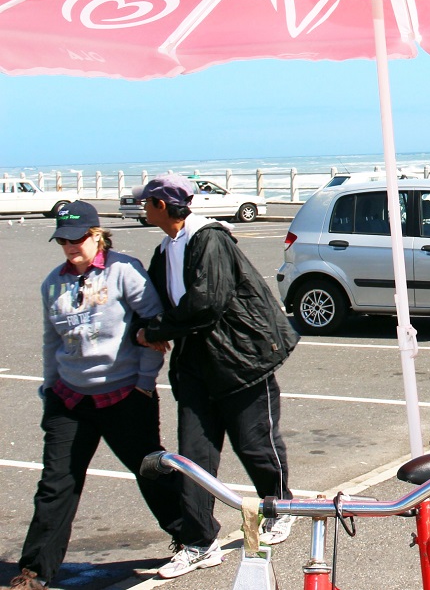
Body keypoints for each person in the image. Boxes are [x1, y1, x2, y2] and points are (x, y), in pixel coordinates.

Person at [133, 174, 299, 579]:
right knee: (193, 456)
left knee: (255, 443)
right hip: (195, 366)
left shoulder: (209, 239)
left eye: (147, 202)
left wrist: (156, 332)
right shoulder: (166, 246)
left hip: (240, 360)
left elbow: (207, 301)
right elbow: (158, 298)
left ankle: (280, 507)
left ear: (162, 205)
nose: (142, 208)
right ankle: (198, 541)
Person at [11, 202, 182, 590]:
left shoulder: (124, 270)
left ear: (96, 235)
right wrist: (49, 388)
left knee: (149, 469)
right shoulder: (53, 283)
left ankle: (192, 535)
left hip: (124, 394)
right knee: (57, 483)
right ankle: (36, 571)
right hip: (69, 398)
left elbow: (153, 326)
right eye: (63, 240)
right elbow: (51, 339)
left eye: (77, 239)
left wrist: (143, 382)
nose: (70, 247)